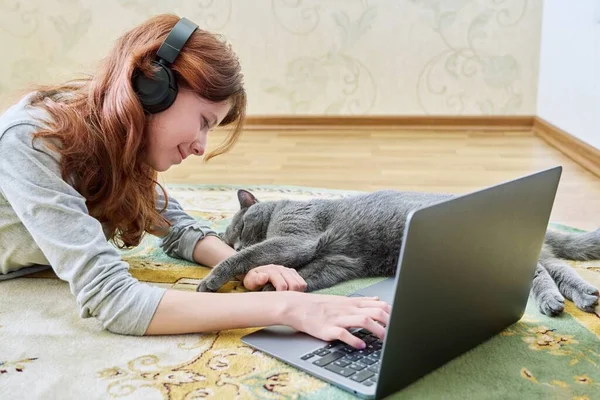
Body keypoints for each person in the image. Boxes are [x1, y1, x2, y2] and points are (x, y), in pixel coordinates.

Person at [0, 14, 389, 349]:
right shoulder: (30, 141)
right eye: (204, 122)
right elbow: (115, 302)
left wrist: (241, 265)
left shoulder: (113, 137)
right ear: (152, 87)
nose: (202, 147)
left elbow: (177, 227)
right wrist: (289, 308)